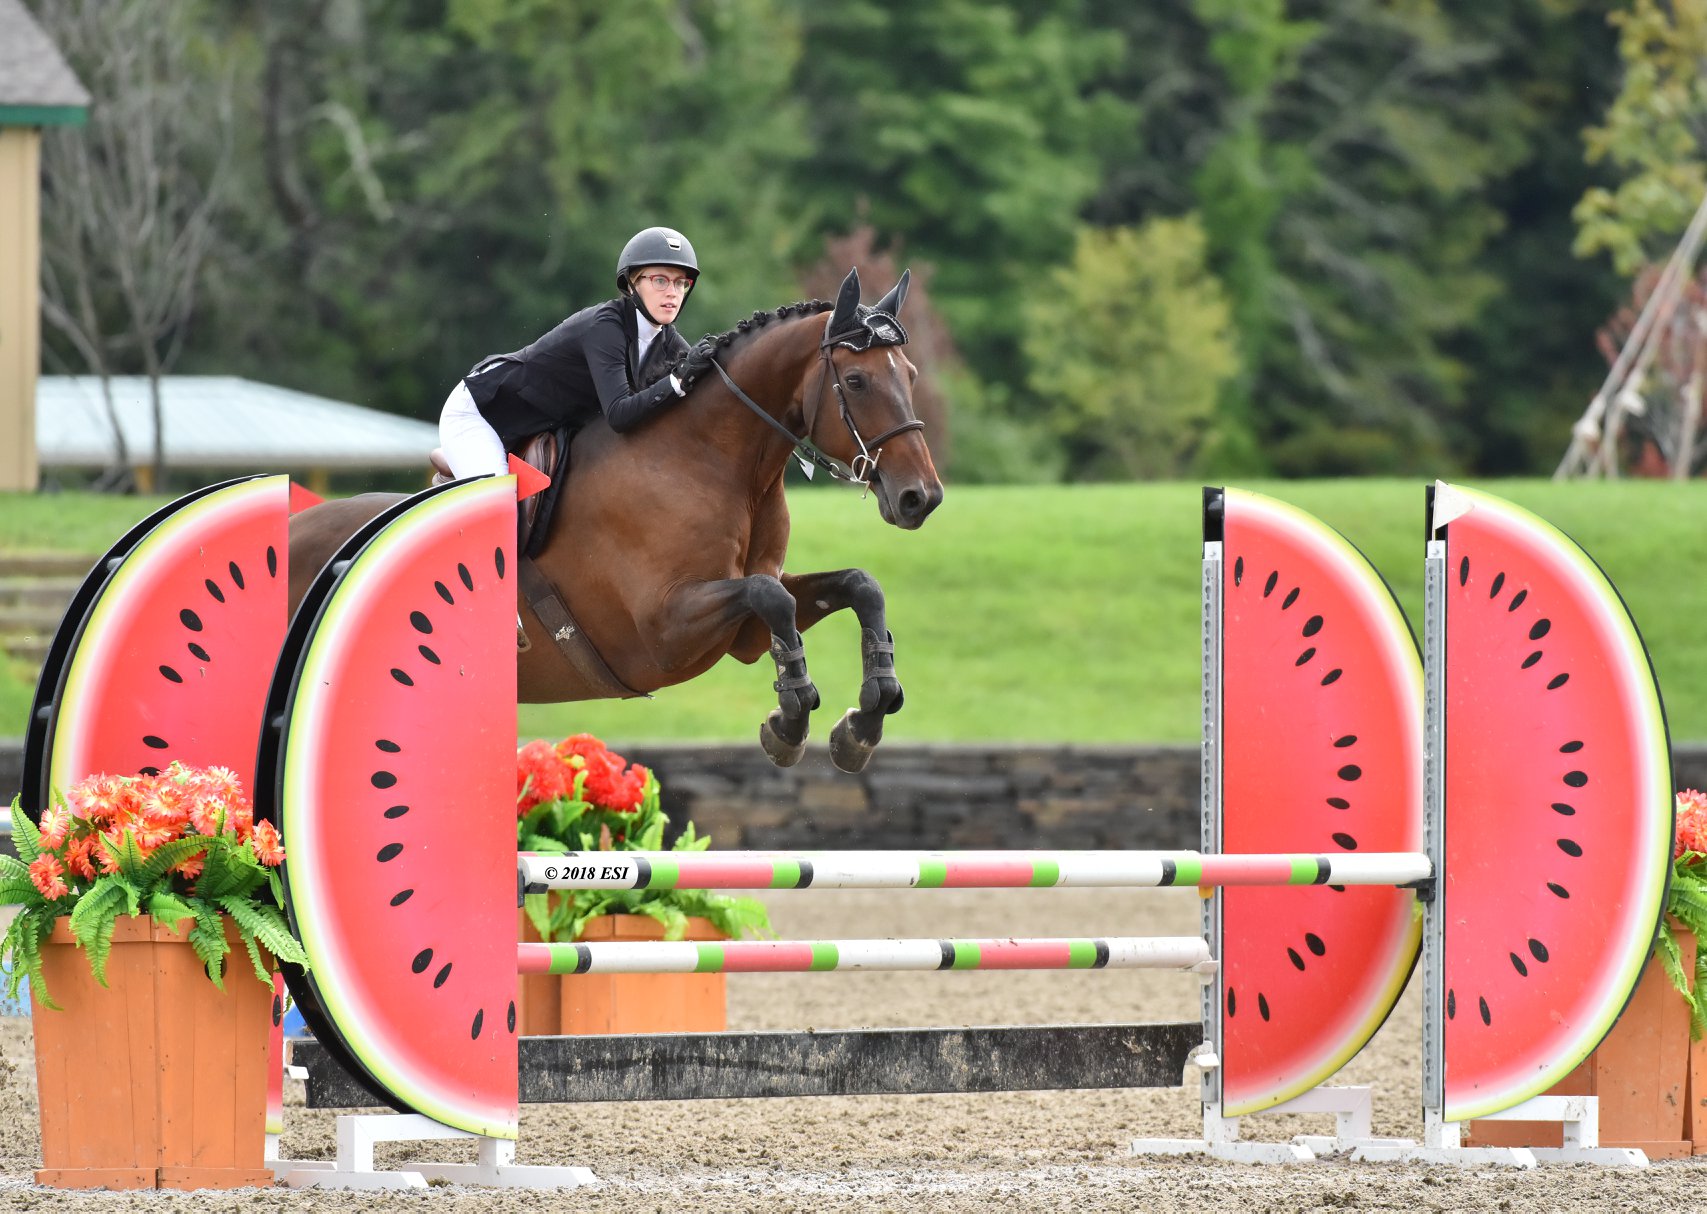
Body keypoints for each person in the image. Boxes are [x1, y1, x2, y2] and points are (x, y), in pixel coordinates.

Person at [438, 226, 717, 480]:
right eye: (660, 281)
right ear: (632, 283)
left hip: (531, 427)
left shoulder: (668, 341)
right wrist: (676, 382)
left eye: (681, 283)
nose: (673, 292)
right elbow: (619, 414)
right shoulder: (605, 327)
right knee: (498, 504)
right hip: (482, 412)